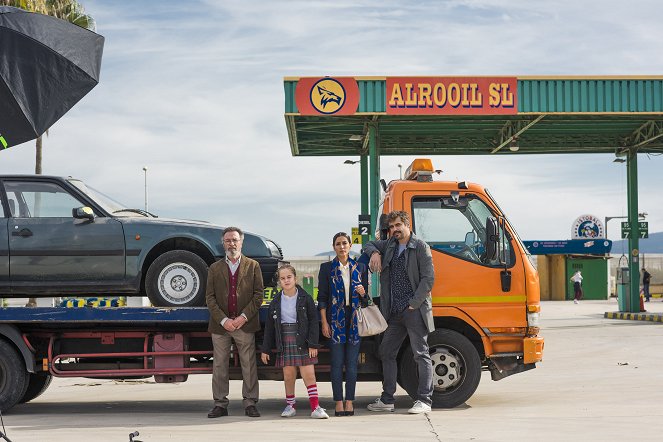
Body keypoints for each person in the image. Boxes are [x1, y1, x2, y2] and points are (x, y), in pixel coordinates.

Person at [364, 210, 435, 414]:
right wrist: (375, 253)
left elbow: (428, 279)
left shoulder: (420, 246)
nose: (394, 229)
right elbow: (369, 244)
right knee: (386, 351)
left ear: (407, 224)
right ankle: (387, 400)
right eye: (391, 227)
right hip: (394, 312)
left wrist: (414, 303)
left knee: (420, 354)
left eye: (397, 225)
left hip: (413, 310)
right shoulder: (389, 245)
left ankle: (424, 400)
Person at [206, 227, 264, 419]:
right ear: (223, 243)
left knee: (249, 364)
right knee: (220, 365)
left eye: (235, 240)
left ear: (241, 242)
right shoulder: (214, 268)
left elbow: (258, 296)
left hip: (244, 324)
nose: (232, 243)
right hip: (221, 326)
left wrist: (242, 318)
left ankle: (250, 402)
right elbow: (210, 298)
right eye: (228, 240)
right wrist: (224, 320)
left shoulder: (253, 265)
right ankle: (220, 404)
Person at [261, 265, 329, 419]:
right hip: (284, 338)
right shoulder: (276, 301)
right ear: (279, 282)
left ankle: (315, 407)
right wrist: (266, 349)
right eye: (282, 278)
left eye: (289, 277)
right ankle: (290, 406)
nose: (286, 280)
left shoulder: (306, 298)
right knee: (289, 375)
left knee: (309, 374)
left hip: (303, 339)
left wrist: (312, 343)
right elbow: (270, 328)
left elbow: (313, 321)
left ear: (295, 278)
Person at [317, 232, 369, 417]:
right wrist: (324, 322)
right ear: (334, 247)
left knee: (352, 364)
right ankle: (338, 402)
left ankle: (350, 401)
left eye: (345, 243)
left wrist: (363, 293)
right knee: (337, 363)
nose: (342, 246)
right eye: (338, 244)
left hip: (354, 320)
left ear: (349, 245)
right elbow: (321, 298)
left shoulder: (360, 267)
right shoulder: (326, 269)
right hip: (334, 320)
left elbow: (366, 301)